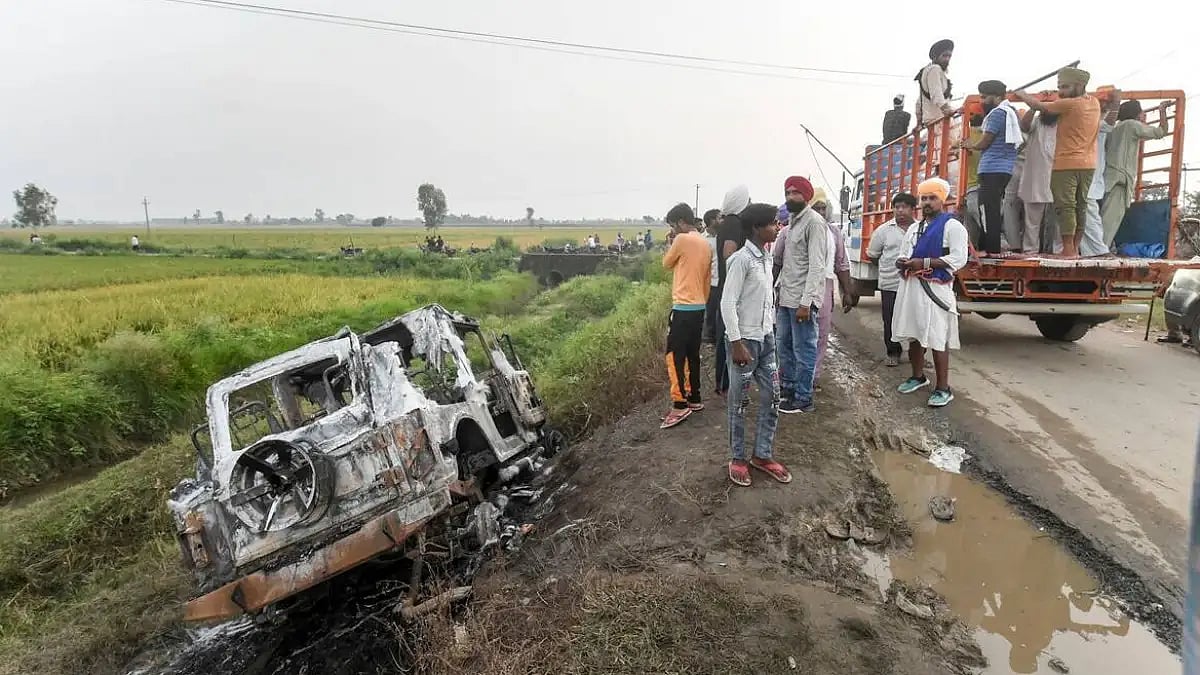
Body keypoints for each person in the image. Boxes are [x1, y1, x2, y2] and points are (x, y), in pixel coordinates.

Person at [720, 202, 790, 487]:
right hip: (744, 342)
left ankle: (762, 455)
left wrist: (770, 329)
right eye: (773, 223)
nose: (777, 227)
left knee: (773, 396)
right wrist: (736, 343)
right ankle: (737, 458)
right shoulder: (741, 260)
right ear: (756, 228)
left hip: (766, 338)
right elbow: (727, 303)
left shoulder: (765, 257)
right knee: (740, 403)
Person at [892, 178, 969, 407]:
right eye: (924, 198)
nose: (927, 202)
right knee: (915, 334)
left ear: (941, 200)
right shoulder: (915, 228)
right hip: (912, 290)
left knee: (937, 338)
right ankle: (918, 377)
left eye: (932, 198)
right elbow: (904, 252)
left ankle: (943, 388)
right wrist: (903, 263)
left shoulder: (953, 226)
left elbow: (958, 258)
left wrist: (924, 263)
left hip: (936, 290)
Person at [1015, 67, 1101, 258]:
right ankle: (1070, 248)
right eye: (1059, 88)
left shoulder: (1069, 106)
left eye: (1065, 87)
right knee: (1079, 206)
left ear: (1080, 86)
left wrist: (1022, 95)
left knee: (1066, 208)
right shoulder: (1092, 102)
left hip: (1066, 166)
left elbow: (1043, 107)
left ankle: (1067, 250)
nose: (1061, 92)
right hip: (1083, 166)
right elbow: (1032, 119)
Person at [775, 176, 828, 415]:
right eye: (787, 192)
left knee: (803, 348)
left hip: (802, 301)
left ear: (806, 196)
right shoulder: (792, 224)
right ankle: (788, 389)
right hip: (786, 296)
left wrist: (806, 303)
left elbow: (816, 266)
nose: (790, 197)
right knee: (783, 345)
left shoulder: (814, 223)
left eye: (796, 192)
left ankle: (803, 398)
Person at [660, 203, 712, 429]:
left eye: (673, 225)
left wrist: (670, 242)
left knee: (674, 355)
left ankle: (679, 404)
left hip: (682, 307)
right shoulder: (705, 242)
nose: (673, 229)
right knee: (692, 354)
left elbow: (666, 263)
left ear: (681, 221)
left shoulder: (681, 240)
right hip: (699, 306)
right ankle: (695, 398)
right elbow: (707, 279)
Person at [960, 80, 1020, 255]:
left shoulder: (996, 114)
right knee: (993, 209)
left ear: (998, 97)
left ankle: (990, 249)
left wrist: (970, 145)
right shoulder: (1012, 112)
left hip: (991, 168)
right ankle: (990, 247)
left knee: (987, 210)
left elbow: (985, 141)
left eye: (985, 97)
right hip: (1005, 169)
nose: (982, 101)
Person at [1102, 99, 1172, 246]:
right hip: (1121, 179)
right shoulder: (1131, 125)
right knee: (1111, 218)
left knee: (1105, 215)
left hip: (1109, 178)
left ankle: (1101, 247)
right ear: (1135, 113)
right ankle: (1100, 250)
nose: (1143, 115)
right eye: (1141, 112)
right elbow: (1161, 131)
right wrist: (1162, 110)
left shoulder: (1114, 128)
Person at [868, 193, 917, 366]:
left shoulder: (921, 229)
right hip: (890, 283)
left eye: (904, 207)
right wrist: (889, 268)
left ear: (913, 209)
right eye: (897, 207)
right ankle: (893, 352)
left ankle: (916, 355)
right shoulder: (883, 231)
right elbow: (873, 256)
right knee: (890, 319)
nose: (900, 210)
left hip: (915, 285)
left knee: (917, 319)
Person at [810, 191, 853, 382]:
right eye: (815, 208)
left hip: (825, 287)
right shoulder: (792, 230)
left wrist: (847, 292)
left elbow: (841, 264)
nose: (820, 212)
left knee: (821, 334)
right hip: (798, 288)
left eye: (823, 208)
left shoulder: (833, 232)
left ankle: (813, 377)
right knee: (798, 336)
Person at [713, 185, 751, 398]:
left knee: (727, 335)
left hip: (726, 288)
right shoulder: (734, 224)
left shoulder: (728, 223)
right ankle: (725, 384)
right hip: (730, 290)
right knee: (727, 336)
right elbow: (729, 252)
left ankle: (726, 383)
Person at [1080, 99, 1120, 256]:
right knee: (1090, 214)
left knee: (1086, 214)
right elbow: (1109, 122)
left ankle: (1091, 251)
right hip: (1087, 173)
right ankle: (1098, 251)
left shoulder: (1095, 121)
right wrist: (1115, 102)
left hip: (1091, 173)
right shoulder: (1091, 123)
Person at [1017, 109, 1059, 253]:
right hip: (1035, 178)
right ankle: (1030, 251)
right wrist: (1033, 107)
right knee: (1032, 221)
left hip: (1059, 178)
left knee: (1060, 220)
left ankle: (1058, 251)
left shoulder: (1065, 123)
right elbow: (1024, 126)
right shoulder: (1037, 122)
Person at [915, 39, 955, 129]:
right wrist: (947, 110)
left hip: (933, 123)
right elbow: (936, 94)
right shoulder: (934, 69)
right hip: (940, 122)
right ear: (935, 57)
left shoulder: (928, 70)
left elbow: (919, 102)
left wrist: (918, 123)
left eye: (949, 56)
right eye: (944, 56)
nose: (947, 59)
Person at [702, 209, 722, 344]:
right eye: (719, 217)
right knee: (711, 309)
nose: (721, 220)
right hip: (710, 281)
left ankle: (717, 335)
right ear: (711, 221)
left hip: (722, 279)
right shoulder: (702, 240)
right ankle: (710, 336)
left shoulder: (723, 237)